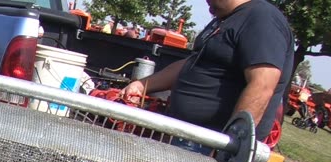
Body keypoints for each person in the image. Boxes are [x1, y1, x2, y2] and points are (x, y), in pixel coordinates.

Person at [121, 0, 293, 149]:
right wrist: (142, 85)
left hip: (209, 146)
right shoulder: (223, 20)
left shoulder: (261, 18)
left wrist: (230, 145)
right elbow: (192, 64)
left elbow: (262, 84)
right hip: (186, 137)